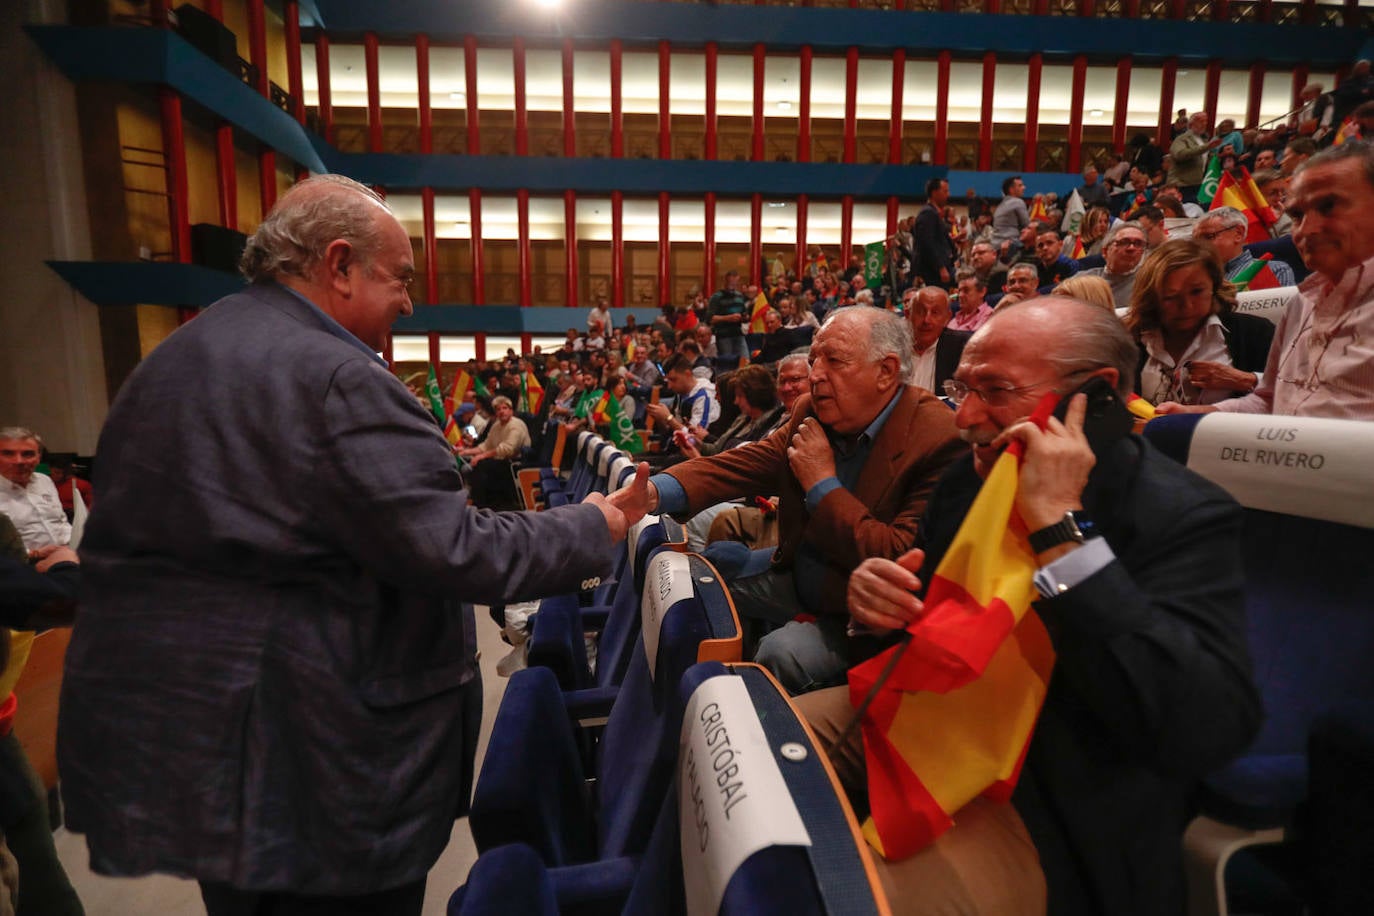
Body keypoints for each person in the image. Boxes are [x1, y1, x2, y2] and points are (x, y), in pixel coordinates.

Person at [57, 174, 650, 916]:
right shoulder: (338, 377)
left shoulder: (174, 360)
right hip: (330, 777)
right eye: (399, 279)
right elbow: (456, 549)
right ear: (338, 265)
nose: (409, 303)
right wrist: (596, 523)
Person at [798, 297, 1261, 915]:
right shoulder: (970, 478)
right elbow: (920, 638)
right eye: (964, 388)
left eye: (996, 391)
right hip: (937, 720)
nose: (964, 416)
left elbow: (1202, 727)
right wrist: (875, 606)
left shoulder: (1184, 514)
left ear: (1095, 395)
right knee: (736, 739)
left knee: (858, 898)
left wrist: (1061, 534)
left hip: (1059, 790)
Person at [645, 307, 965, 693]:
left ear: (886, 371)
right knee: (703, 578)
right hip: (801, 572)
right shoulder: (810, 410)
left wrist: (822, 484)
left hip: (859, 612)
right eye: (814, 359)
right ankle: (714, 689)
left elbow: (895, 556)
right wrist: (653, 491)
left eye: (834, 361)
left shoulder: (938, 438)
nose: (815, 375)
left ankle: (767, 732)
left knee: (782, 652)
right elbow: (745, 464)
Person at [1159, 142, 1374, 418]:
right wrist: (1197, 413)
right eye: (1297, 215)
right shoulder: (1300, 305)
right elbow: (1270, 401)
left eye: (1329, 206)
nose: (1306, 229)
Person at [1125, 239, 1275, 406]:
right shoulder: (1130, 342)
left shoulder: (1255, 333)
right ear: (1152, 298)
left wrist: (1245, 380)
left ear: (1214, 285)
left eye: (1197, 292)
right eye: (1171, 297)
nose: (1186, 306)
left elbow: (1297, 393)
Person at [457, 395, 531, 509]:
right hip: (499, 461)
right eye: (498, 409)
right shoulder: (496, 425)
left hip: (513, 462)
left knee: (481, 465)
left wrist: (482, 456)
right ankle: (478, 501)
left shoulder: (516, 425)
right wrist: (465, 452)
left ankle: (480, 504)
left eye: (504, 408)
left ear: (511, 410)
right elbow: (486, 445)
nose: (501, 412)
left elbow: (507, 449)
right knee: (475, 463)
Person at [0, 429, 70, 549]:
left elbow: (60, 521)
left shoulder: (44, 480)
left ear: (38, 457)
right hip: (22, 564)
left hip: (69, 554)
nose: (19, 461)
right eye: (8, 454)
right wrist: (34, 555)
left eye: (27, 454)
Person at [1194, 207, 1296, 287]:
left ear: (1238, 234)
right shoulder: (1195, 278)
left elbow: (1284, 312)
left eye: (1209, 237)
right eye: (1196, 240)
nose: (1200, 245)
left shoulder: (1273, 270)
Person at [903, 286, 968, 394]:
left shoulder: (961, 348)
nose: (926, 320)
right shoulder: (892, 347)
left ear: (947, 317)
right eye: (920, 311)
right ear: (908, 315)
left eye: (935, 312)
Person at [1076, 221, 1147, 310]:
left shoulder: (1148, 283)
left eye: (1138, 244)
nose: (1131, 248)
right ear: (1105, 251)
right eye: (1124, 242)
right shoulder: (1082, 280)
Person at [913, 178, 958, 289]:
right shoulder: (928, 213)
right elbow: (927, 243)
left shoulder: (934, 213)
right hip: (932, 271)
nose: (948, 195)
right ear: (934, 193)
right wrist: (941, 267)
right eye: (945, 191)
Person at [1168, 111, 1220, 193]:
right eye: (1201, 121)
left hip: (1198, 183)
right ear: (1191, 123)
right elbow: (1180, 155)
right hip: (1181, 184)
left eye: (1205, 121)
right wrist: (1206, 147)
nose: (1204, 124)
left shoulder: (1203, 140)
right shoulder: (1182, 139)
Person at [707, 270, 749, 361]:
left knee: (745, 361)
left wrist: (745, 317)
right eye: (731, 283)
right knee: (728, 363)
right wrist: (728, 318)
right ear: (725, 281)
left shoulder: (739, 296)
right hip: (724, 336)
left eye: (735, 283)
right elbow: (710, 319)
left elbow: (743, 313)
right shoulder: (716, 297)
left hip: (738, 334)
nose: (733, 285)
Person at [992, 176, 1029, 252]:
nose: (1024, 187)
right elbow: (1027, 225)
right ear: (1011, 189)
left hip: (995, 245)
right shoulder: (1018, 202)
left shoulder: (1000, 206)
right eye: (1020, 185)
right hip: (1011, 244)